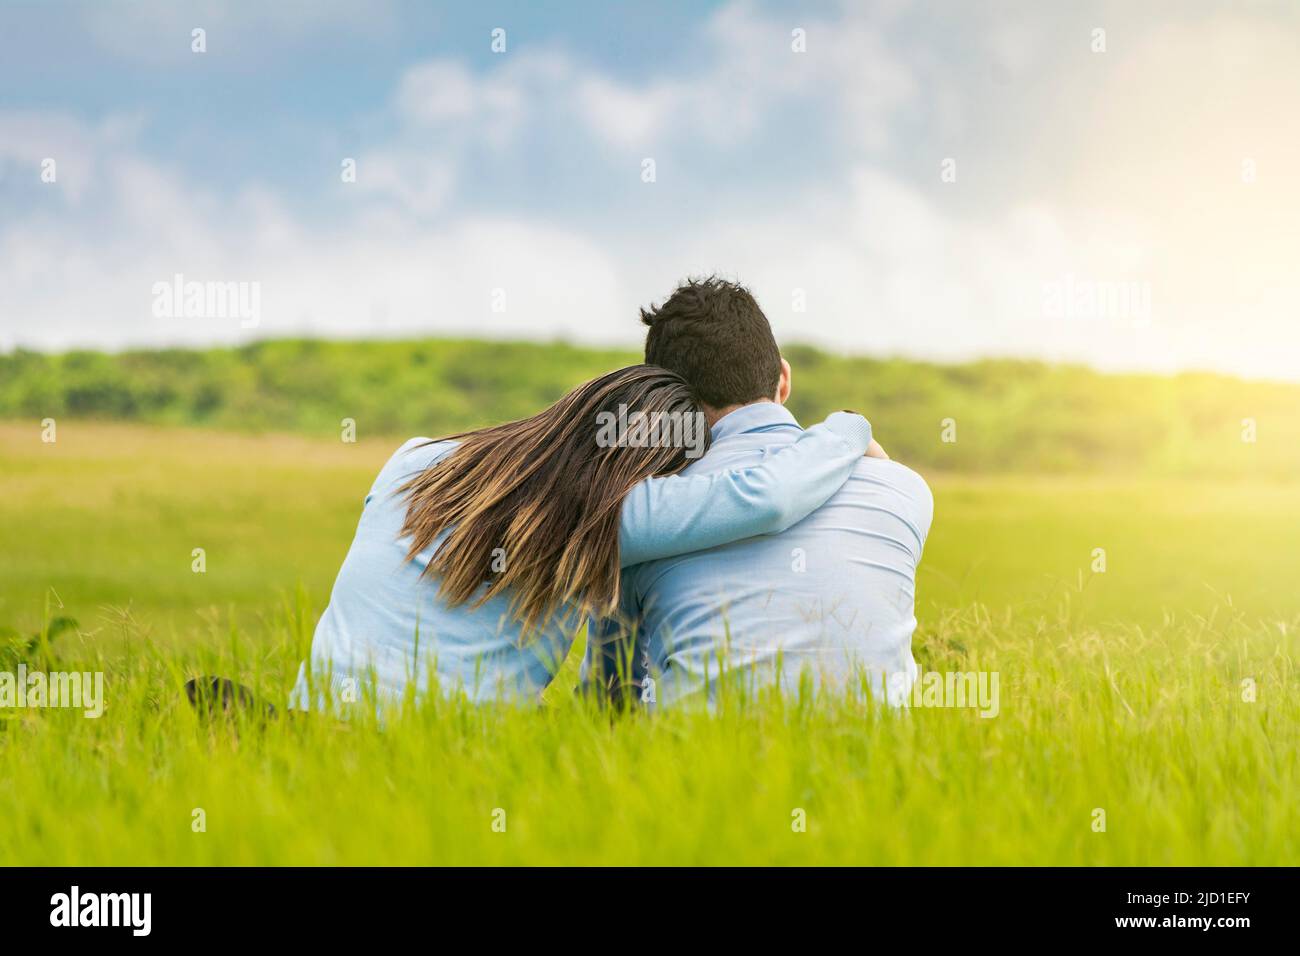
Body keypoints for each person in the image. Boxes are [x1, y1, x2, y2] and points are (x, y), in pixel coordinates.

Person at [289, 364, 876, 711]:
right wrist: (851, 428)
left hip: (310, 717)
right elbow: (768, 495)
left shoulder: (415, 458)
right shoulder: (610, 515)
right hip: (435, 755)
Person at [583, 279, 933, 708]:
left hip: (692, 763)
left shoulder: (646, 509)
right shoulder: (907, 491)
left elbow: (608, 700)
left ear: (666, 400)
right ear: (783, 378)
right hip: (883, 765)